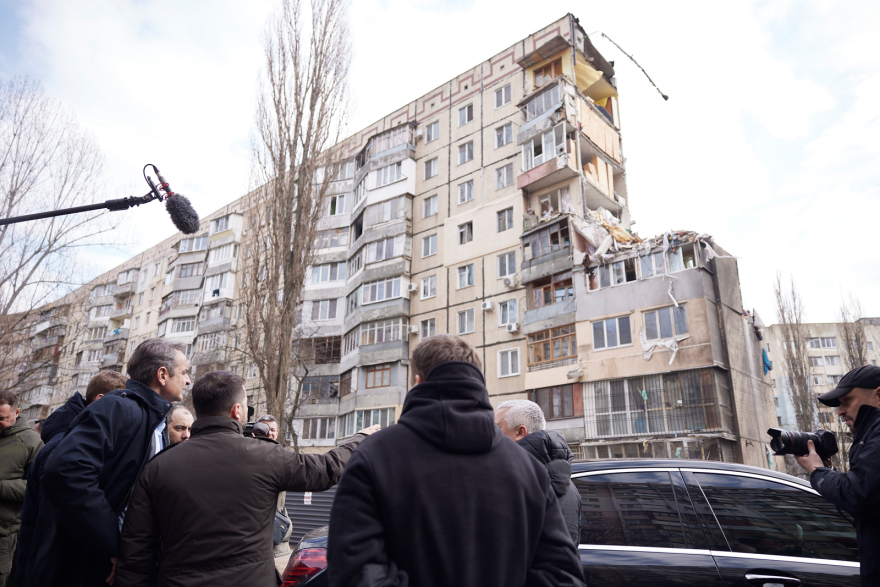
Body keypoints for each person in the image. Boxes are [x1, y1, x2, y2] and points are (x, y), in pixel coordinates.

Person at [327, 335, 585, 587]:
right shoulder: (529, 470)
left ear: (417, 382)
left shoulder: (374, 456)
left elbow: (354, 571)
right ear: (478, 384)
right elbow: (563, 575)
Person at [115, 370, 378, 586]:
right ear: (237, 411)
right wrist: (362, 439)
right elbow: (326, 469)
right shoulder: (265, 456)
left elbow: (135, 554)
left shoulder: (158, 467)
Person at [29, 339, 190, 587]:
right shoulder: (118, 408)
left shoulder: (153, 420)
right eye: (184, 372)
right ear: (162, 375)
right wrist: (112, 547)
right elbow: (66, 472)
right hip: (91, 567)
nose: (188, 380)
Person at [16, 370, 127, 587]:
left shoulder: (73, 438)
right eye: (122, 403)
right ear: (101, 401)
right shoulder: (64, 445)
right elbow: (51, 529)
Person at [795, 365, 880, 587]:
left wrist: (817, 471)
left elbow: (857, 494)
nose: (840, 411)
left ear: (879, 395)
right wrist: (828, 472)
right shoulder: (870, 434)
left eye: (847, 401)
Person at [495, 399, 582, 546]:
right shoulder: (564, 484)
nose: (492, 434)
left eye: (498, 428)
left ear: (520, 432)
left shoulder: (523, 482)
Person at [0, 392, 42, 587]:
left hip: (4, 532)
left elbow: (37, 488)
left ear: (17, 412)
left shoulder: (32, 442)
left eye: (2, 418)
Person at [255, 414, 293, 559]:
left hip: (278, 544)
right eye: (264, 429)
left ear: (277, 433)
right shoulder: (246, 454)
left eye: (272, 429)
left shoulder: (284, 458)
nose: (269, 433)